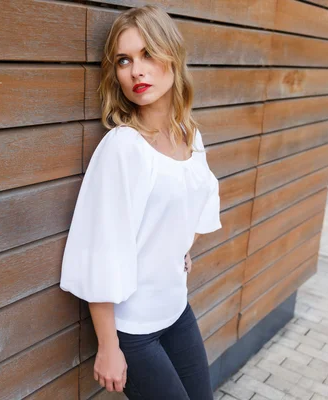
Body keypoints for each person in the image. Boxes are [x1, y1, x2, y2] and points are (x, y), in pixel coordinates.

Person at [59, 5, 222, 400]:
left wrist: (182, 247)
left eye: (148, 54)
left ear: (172, 55)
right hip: (134, 330)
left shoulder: (190, 134)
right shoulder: (123, 148)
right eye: (125, 60)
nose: (137, 71)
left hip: (176, 309)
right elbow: (101, 248)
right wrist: (109, 346)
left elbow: (196, 203)